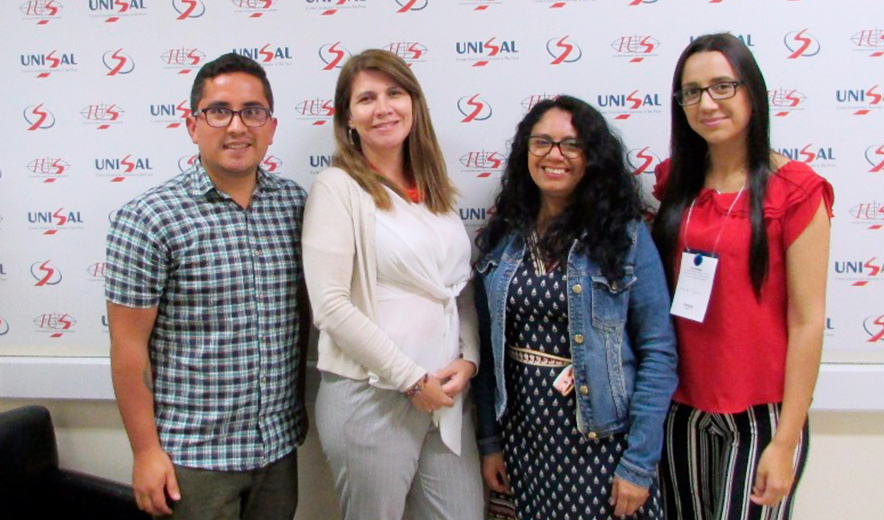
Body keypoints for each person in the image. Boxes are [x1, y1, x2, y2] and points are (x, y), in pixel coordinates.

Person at [106, 53, 308, 519]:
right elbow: (128, 346)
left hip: (277, 450)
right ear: (193, 125)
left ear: (271, 126)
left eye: (252, 112)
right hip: (193, 459)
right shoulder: (149, 219)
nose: (237, 126)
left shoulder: (296, 206)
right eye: (219, 111)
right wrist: (145, 453)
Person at [651, 33, 833, 520]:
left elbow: (808, 320)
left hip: (761, 416)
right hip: (679, 408)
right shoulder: (674, 184)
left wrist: (787, 438)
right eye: (691, 92)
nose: (706, 102)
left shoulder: (795, 191)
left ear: (752, 91)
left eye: (722, 86)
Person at [472, 95, 678, 520]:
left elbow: (659, 354)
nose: (554, 155)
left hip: (600, 442)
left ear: (592, 157)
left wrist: (639, 463)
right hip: (523, 442)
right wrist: (490, 443)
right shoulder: (504, 237)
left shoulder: (627, 238)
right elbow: (487, 356)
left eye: (571, 144)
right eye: (542, 142)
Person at [301, 49, 483, 520]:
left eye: (394, 93)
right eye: (366, 98)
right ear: (348, 120)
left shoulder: (436, 189)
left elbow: (457, 288)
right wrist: (411, 381)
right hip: (371, 398)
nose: (383, 107)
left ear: (414, 104)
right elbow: (331, 306)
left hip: (445, 396)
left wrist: (470, 359)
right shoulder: (338, 189)